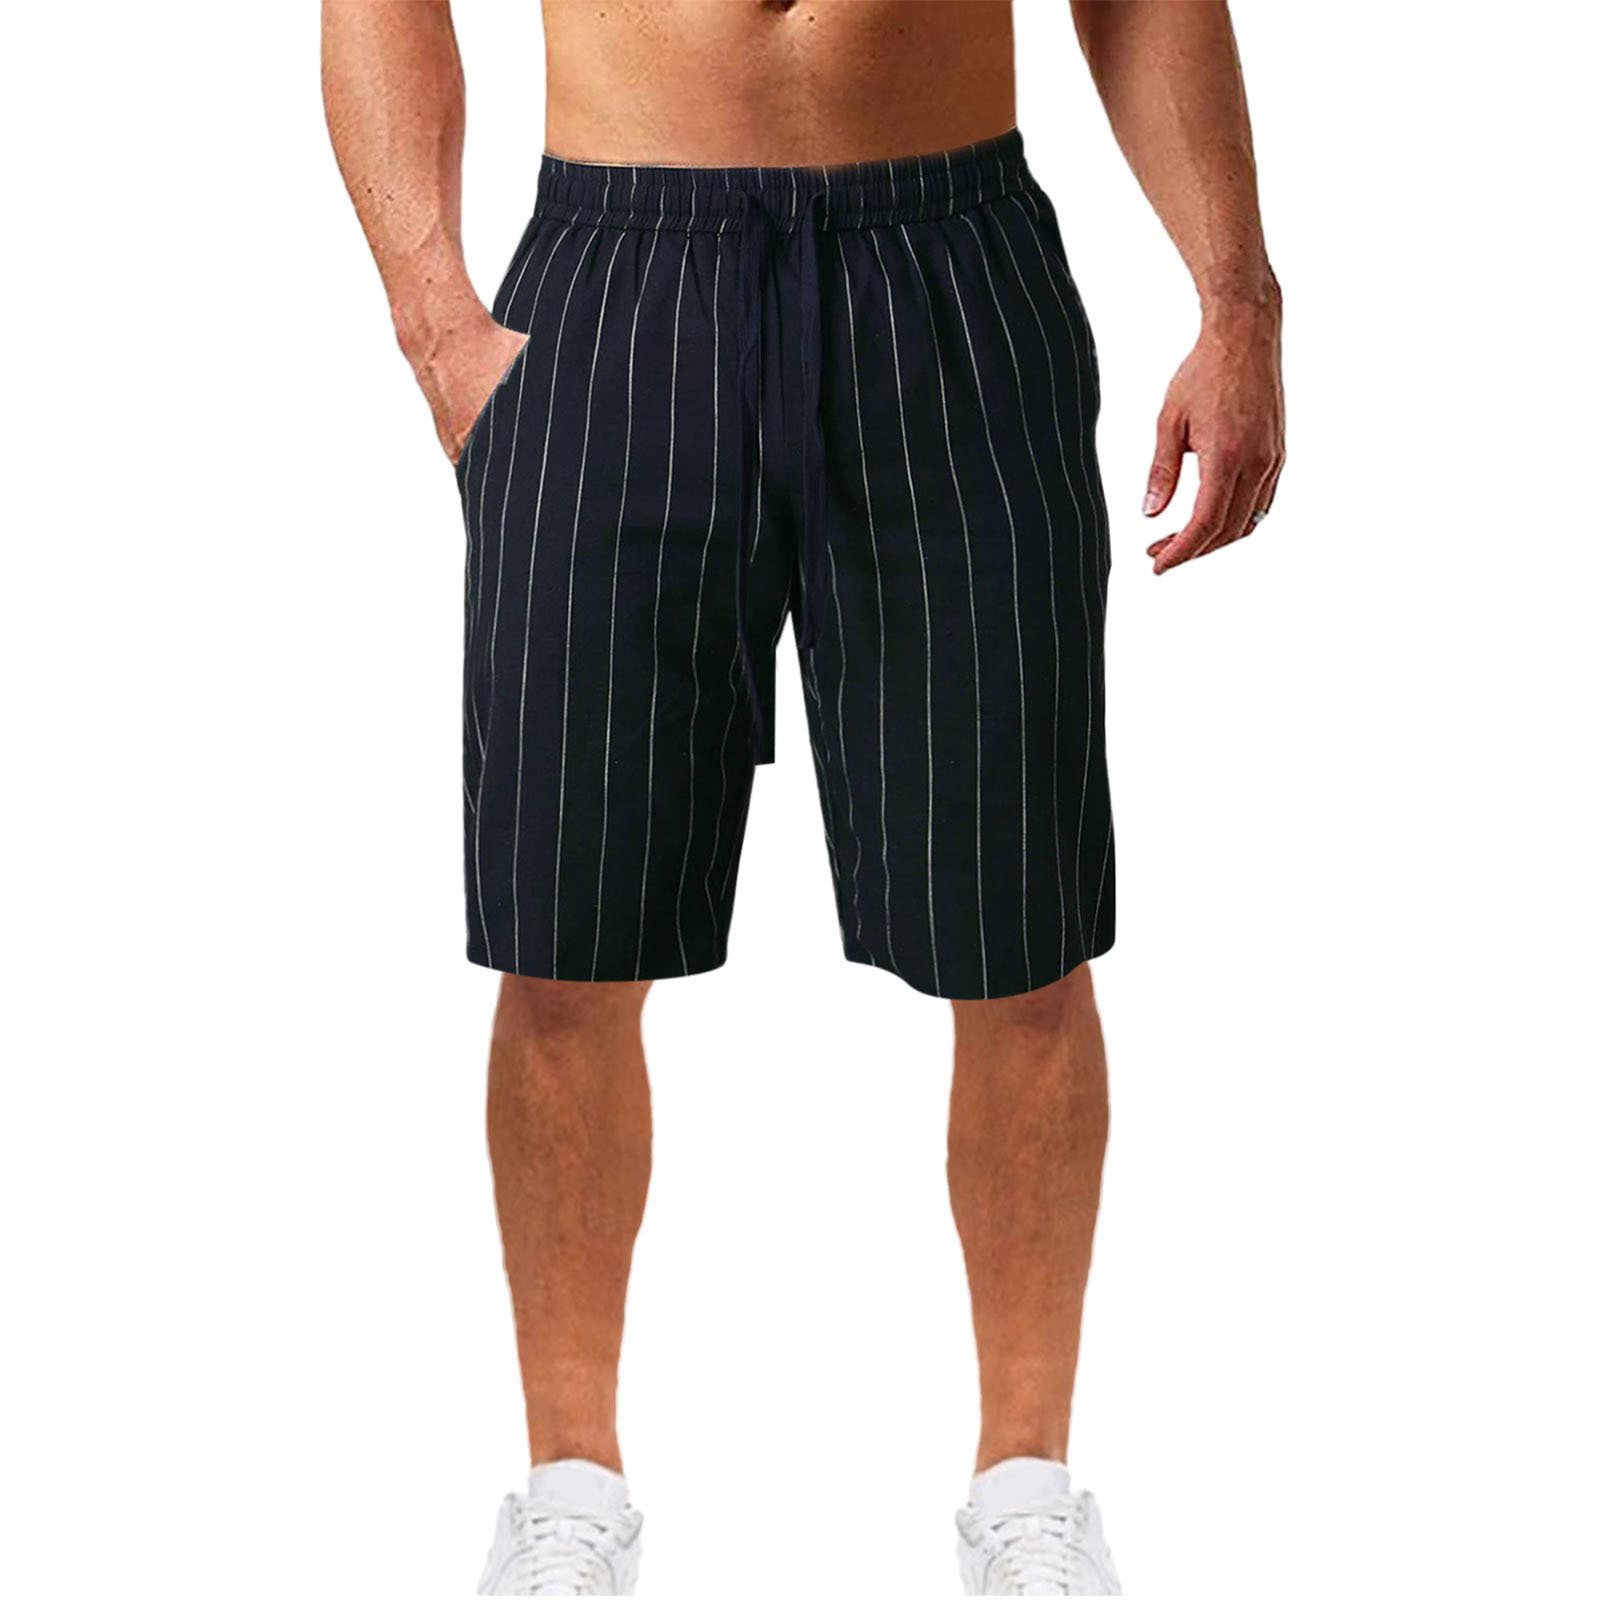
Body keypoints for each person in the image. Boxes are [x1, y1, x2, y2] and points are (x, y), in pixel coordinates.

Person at [322, 1, 1284, 1592]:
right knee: (566, 941)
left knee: (1022, 935)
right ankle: (568, 1499)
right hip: (619, 282)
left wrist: (1235, 296)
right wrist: (437, 325)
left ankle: (1026, 1498)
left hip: (950, 270)